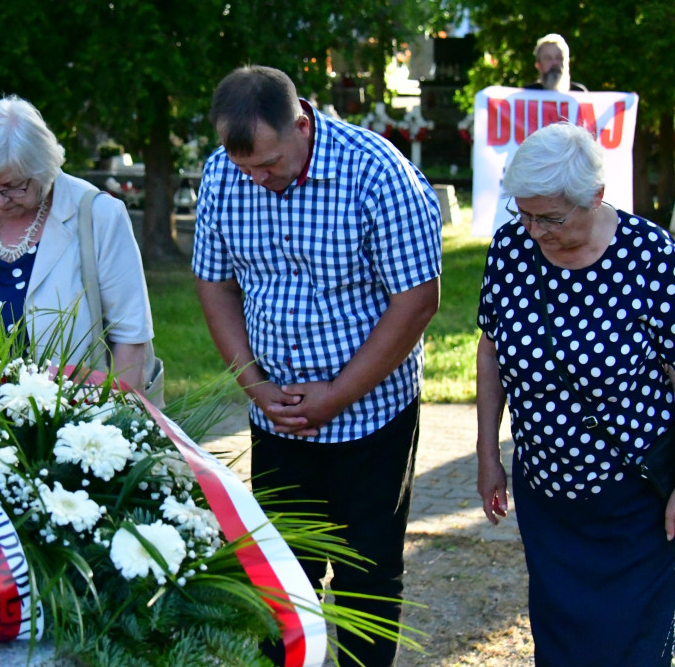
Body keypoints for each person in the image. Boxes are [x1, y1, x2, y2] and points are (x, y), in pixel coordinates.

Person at [193, 65, 442, 665]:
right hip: (275, 417)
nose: (257, 178)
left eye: (270, 164)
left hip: (371, 419)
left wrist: (337, 394)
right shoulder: (224, 173)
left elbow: (417, 301)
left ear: (302, 123)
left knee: (368, 578)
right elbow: (215, 284)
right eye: (246, 167)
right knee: (278, 579)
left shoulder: (379, 173)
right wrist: (252, 385)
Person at [476, 121, 675, 665]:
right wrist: (488, 454)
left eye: (550, 217)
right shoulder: (511, 249)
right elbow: (491, 350)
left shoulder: (652, 257)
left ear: (596, 197)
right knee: (560, 640)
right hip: (547, 493)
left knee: (633, 644)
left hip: (634, 501)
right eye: (525, 213)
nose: (535, 231)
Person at [0, 96, 153, 391]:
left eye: (12, 187)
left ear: (43, 170)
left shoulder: (99, 215)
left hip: (66, 423)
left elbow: (131, 338)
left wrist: (113, 422)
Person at [523, 33, 588, 92]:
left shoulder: (579, 94)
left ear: (567, 63)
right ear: (538, 65)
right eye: (548, 58)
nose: (555, 63)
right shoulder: (527, 94)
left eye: (559, 58)